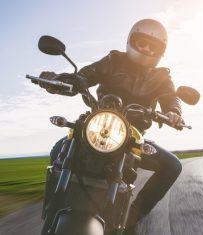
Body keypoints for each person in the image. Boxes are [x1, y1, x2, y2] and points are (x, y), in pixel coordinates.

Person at [39, 19, 184, 235]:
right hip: (96, 127)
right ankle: (53, 206)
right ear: (131, 41)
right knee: (58, 149)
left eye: (152, 46)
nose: (146, 49)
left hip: (132, 138)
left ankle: (132, 219)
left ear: (160, 51)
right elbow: (86, 75)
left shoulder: (162, 77)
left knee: (172, 166)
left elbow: (170, 98)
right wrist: (61, 80)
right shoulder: (114, 60)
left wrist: (174, 113)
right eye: (142, 42)